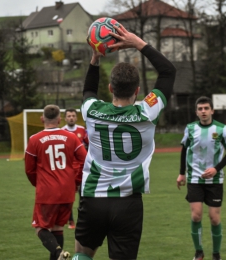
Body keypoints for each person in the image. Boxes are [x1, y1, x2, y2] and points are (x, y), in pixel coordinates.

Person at [71, 24, 176, 260]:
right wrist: (138, 43)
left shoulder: (92, 111)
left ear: (110, 88)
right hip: (128, 203)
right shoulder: (147, 112)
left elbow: (88, 90)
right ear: (138, 91)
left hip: (93, 198)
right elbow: (168, 71)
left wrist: (95, 57)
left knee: (81, 255)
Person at [25, 104, 87, 260]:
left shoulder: (34, 140)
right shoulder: (71, 137)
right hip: (67, 191)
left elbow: (29, 170)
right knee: (58, 229)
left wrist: (38, 184)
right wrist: (76, 181)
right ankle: (58, 255)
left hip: (47, 192)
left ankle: (59, 253)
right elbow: (85, 160)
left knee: (40, 228)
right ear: (60, 120)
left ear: (42, 119)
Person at [176, 96, 226, 260]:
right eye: (200, 109)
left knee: (215, 219)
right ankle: (199, 253)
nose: (203, 111)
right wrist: (182, 173)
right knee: (196, 216)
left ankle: (216, 254)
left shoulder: (222, 129)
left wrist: (216, 169)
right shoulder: (190, 128)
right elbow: (183, 150)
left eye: (206, 108)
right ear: (196, 112)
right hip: (195, 178)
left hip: (215, 181)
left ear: (212, 111)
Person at [62, 108, 89, 229]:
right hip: (68, 169)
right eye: (69, 116)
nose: (71, 118)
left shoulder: (82, 130)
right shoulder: (62, 132)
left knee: (83, 195)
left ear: (76, 117)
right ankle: (70, 220)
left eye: (73, 115)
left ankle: (83, 219)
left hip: (83, 168)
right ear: (65, 118)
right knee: (69, 196)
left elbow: (90, 145)